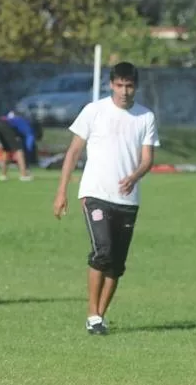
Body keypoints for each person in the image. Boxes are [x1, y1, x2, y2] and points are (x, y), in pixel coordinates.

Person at [53, 62, 159, 335]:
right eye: (120, 85)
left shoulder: (145, 117)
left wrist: (134, 176)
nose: (124, 91)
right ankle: (92, 314)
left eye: (129, 85)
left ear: (136, 86)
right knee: (103, 251)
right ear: (111, 84)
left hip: (128, 199)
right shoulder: (94, 111)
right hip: (95, 193)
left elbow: (148, 160)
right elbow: (73, 153)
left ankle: (99, 317)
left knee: (116, 263)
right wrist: (62, 191)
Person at [0, 110, 39, 181]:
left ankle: (3, 175)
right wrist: (28, 153)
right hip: (5, 125)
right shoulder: (27, 126)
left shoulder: (15, 120)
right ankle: (23, 175)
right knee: (19, 150)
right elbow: (29, 140)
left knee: (7, 150)